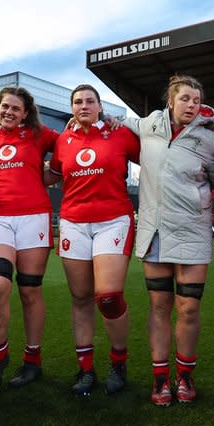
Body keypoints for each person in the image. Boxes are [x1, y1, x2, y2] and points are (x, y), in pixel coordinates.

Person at [122, 75, 214, 406]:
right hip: (154, 231)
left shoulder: (210, 140)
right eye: (185, 99)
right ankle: (161, 377)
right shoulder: (150, 125)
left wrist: (204, 202)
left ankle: (186, 375)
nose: (191, 105)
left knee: (189, 308)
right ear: (171, 101)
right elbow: (121, 119)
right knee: (159, 306)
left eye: (196, 100)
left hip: (192, 230)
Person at [46, 85, 139, 396]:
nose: (83, 106)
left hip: (113, 220)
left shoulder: (121, 134)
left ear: (101, 107)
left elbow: (153, 159)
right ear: (72, 108)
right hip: (73, 222)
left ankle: (118, 362)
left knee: (108, 296)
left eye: (89, 101)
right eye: (77, 102)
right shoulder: (63, 140)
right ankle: (85, 369)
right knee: (81, 297)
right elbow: (53, 174)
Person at [0, 87, 58, 393]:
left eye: (16, 109)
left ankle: (32, 359)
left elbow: (73, 147)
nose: (9, 112)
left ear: (25, 112)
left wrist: (52, 172)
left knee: (30, 291)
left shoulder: (40, 134)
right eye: (5, 107)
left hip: (34, 216)